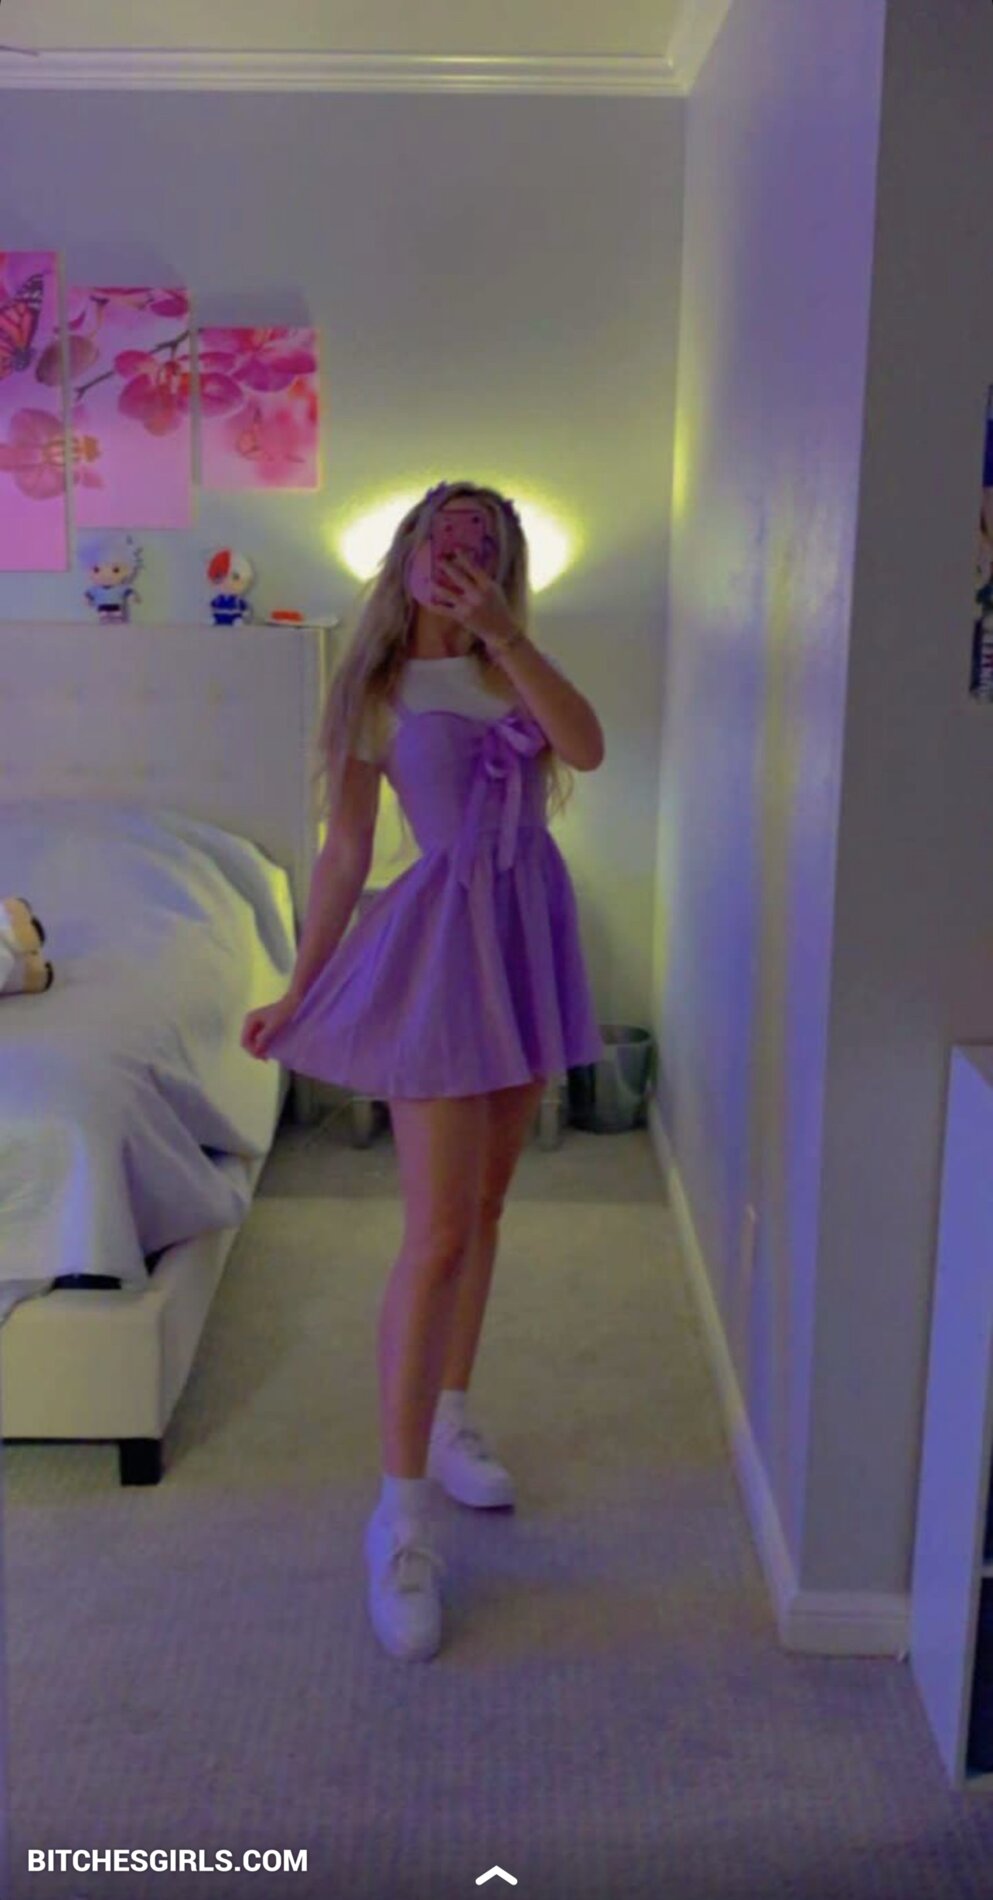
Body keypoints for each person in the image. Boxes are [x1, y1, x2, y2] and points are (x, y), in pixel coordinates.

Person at [242, 479, 604, 1662]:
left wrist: (506, 633)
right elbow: (347, 850)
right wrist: (298, 986)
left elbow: (587, 748)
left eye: (481, 545)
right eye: (443, 541)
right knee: (437, 1230)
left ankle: (451, 1419)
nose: (459, 559)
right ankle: (397, 1519)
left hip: (529, 932)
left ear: (503, 565)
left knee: (487, 1209)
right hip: (445, 948)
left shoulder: (513, 666)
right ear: (407, 557)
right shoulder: (378, 689)